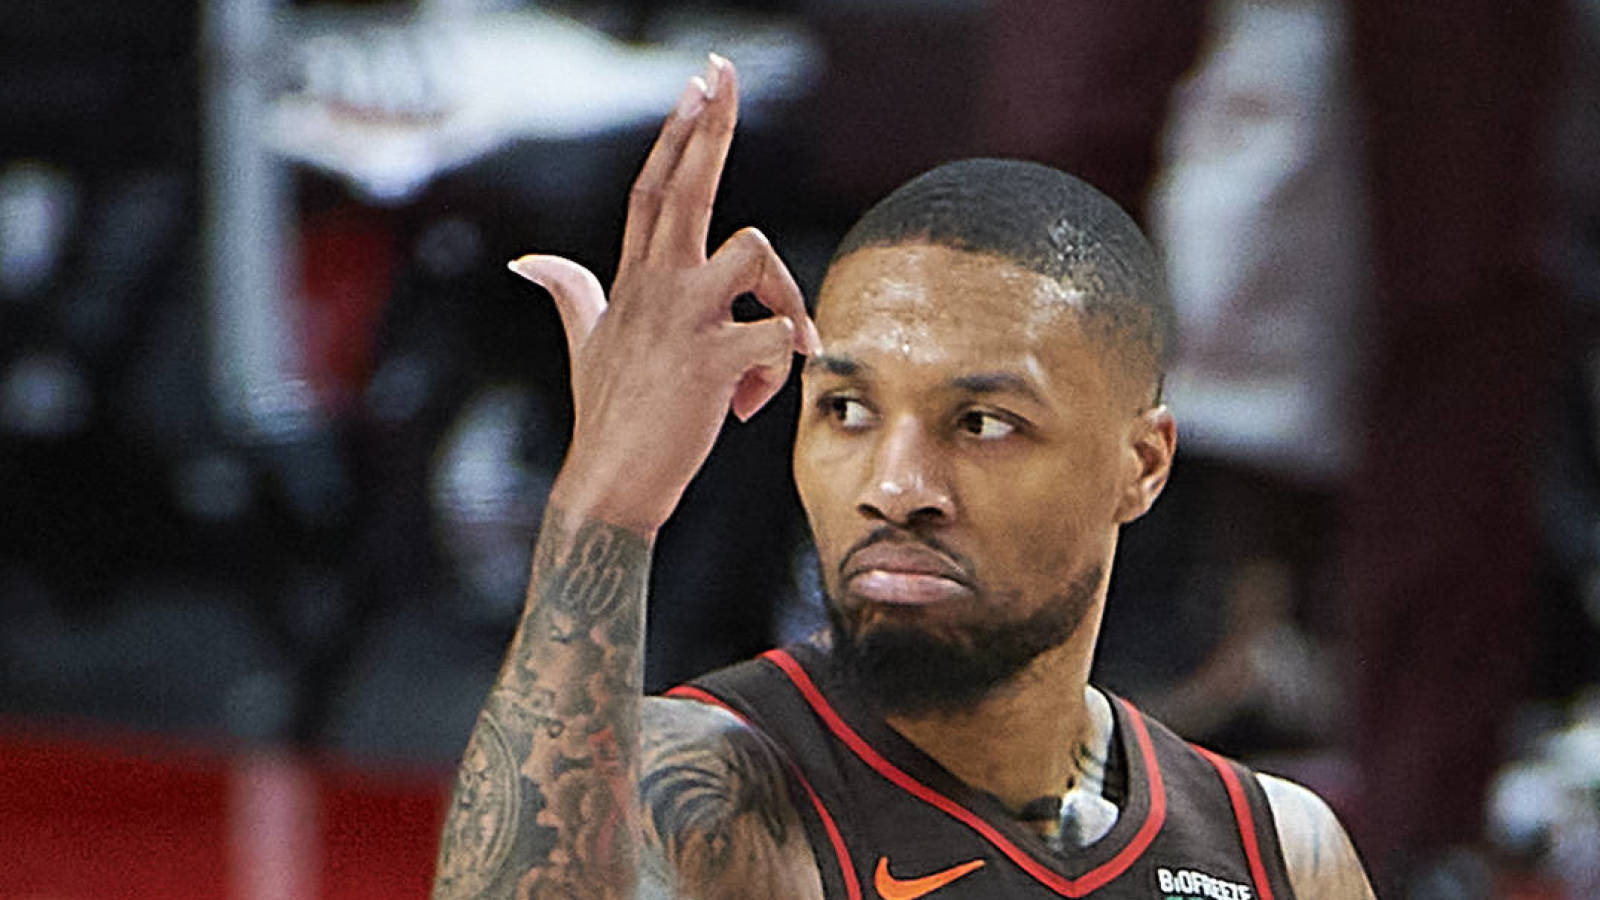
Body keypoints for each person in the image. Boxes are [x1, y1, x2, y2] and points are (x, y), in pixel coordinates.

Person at [430, 55, 1375, 899]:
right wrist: (607, 502)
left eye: (982, 423)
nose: (896, 484)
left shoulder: (1277, 852)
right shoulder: (712, 791)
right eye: (847, 410)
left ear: (1141, 464)